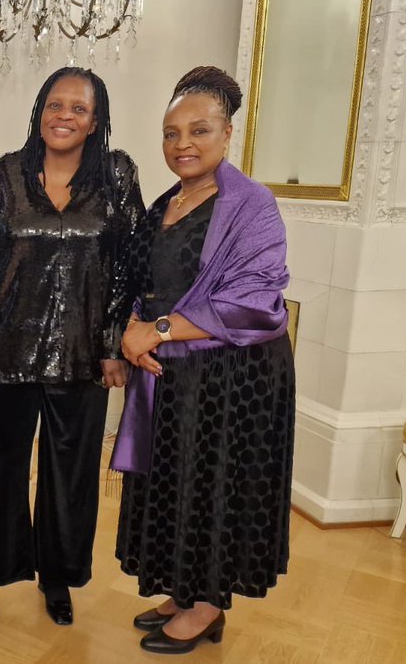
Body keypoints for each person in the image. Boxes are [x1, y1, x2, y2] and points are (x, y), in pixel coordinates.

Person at [0, 67, 145, 652]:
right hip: (10, 349)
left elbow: (131, 264)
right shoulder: (6, 174)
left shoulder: (117, 175)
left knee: (71, 476)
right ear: (40, 108)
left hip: (86, 356)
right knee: (4, 471)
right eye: (55, 104)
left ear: (97, 120)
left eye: (79, 109)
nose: (65, 116)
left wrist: (115, 343)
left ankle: (57, 578)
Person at [112, 66, 295, 655]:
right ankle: (182, 590)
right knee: (174, 480)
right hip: (172, 374)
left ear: (228, 133)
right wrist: (132, 335)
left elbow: (256, 304)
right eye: (170, 133)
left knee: (212, 484)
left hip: (230, 379)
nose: (182, 144)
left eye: (198, 130)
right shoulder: (167, 199)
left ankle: (209, 604)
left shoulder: (251, 204)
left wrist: (155, 330)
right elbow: (146, 282)